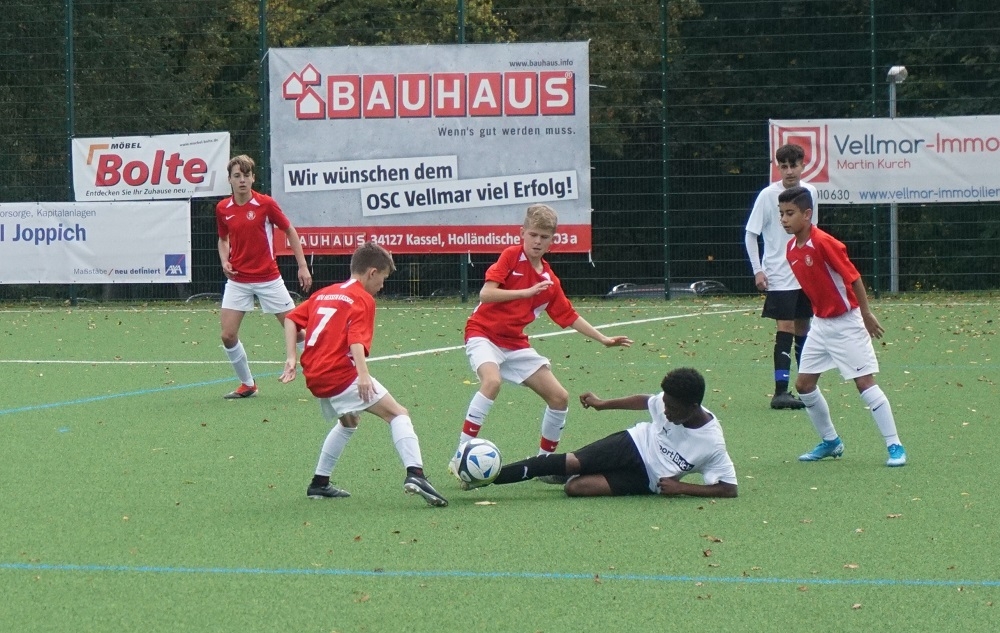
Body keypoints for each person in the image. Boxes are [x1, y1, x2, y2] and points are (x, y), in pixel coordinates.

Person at [448, 204, 633, 480]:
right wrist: (526, 292)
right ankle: (460, 454)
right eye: (533, 234)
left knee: (559, 397)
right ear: (522, 233)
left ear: (552, 240)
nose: (537, 241)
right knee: (492, 381)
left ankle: (545, 464)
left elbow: (568, 316)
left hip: (515, 343)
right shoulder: (511, 256)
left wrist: (603, 339)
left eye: (544, 237)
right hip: (483, 334)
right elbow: (486, 294)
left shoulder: (549, 280)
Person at [279, 241, 448, 506]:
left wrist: (291, 358)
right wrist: (363, 374)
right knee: (398, 414)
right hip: (339, 374)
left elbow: (291, 318)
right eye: (382, 279)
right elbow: (356, 339)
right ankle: (416, 474)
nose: (382, 286)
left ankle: (319, 484)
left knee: (349, 422)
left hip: (315, 374)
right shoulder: (362, 299)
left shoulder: (327, 292)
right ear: (371, 272)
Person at [778, 186, 907, 467]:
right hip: (821, 326)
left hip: (847, 323)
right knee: (803, 384)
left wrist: (866, 313)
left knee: (864, 383)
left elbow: (854, 278)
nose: (784, 219)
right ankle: (831, 442)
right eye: (781, 214)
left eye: (790, 213)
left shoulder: (824, 242)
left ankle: (895, 444)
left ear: (807, 214)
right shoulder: (791, 249)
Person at [474, 367, 737, 499]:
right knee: (569, 461)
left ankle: (570, 475)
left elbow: (729, 489)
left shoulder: (711, 443)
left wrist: (682, 487)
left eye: (672, 408)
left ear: (694, 407)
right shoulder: (669, 402)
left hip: (646, 479)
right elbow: (644, 400)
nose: (665, 411)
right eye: (665, 404)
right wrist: (602, 404)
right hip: (633, 443)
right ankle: (488, 477)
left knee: (575, 488)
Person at [216, 154, 312, 399]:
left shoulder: (266, 204)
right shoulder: (223, 209)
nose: (242, 180)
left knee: (297, 330)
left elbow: (289, 230)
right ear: (229, 180)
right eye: (237, 176)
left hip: (269, 279)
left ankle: (328, 373)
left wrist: (302, 266)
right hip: (238, 281)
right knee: (227, 335)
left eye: (246, 176)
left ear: (253, 178)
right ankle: (248, 384)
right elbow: (223, 239)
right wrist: (224, 260)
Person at [744, 143, 819, 410]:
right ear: (778, 167)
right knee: (785, 328)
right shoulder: (768, 195)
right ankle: (780, 391)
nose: (789, 171)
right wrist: (758, 269)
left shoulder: (811, 192)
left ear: (802, 166)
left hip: (804, 273)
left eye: (794, 165)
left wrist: (817, 269)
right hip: (779, 273)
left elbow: (813, 234)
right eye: (784, 166)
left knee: (804, 329)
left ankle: (807, 388)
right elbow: (751, 233)